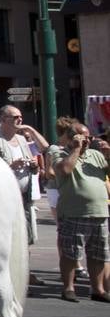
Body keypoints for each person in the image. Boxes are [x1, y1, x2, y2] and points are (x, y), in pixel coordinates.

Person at [46, 117, 109, 303]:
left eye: (89, 138)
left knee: (98, 255)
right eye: (83, 138)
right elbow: (64, 170)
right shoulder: (60, 153)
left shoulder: (96, 155)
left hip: (99, 211)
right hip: (74, 212)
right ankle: (68, 288)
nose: (88, 141)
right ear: (72, 137)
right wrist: (75, 149)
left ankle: (98, 289)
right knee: (70, 254)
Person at [0, 105, 49, 246]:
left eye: (21, 117)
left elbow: (44, 147)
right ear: (3, 119)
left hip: (24, 197)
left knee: (27, 238)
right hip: (5, 198)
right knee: (10, 239)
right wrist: (11, 166)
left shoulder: (22, 139)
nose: (19, 119)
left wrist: (30, 130)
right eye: (15, 117)